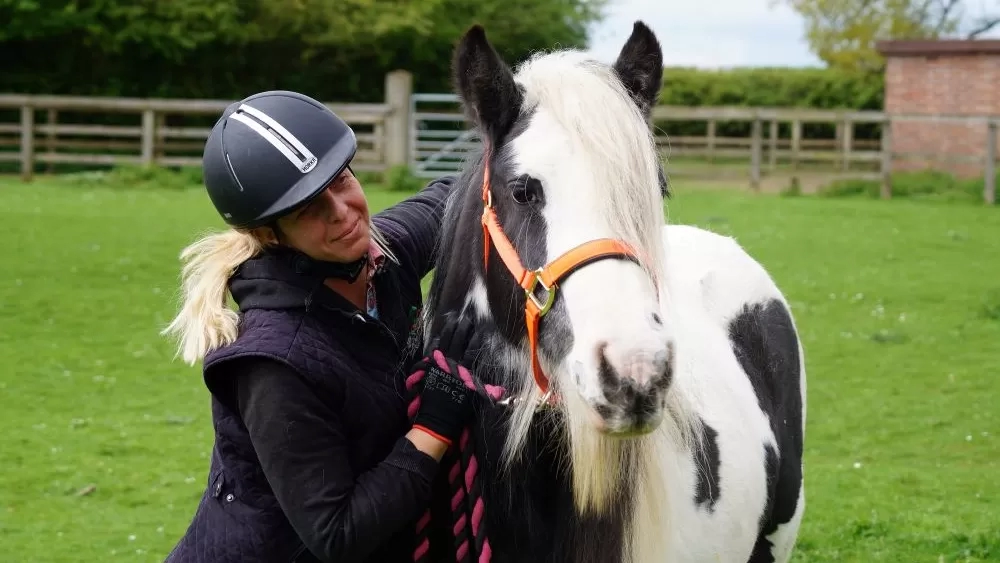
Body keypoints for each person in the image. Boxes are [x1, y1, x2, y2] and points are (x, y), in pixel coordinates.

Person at [159, 90, 482, 562]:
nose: (343, 211)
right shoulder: (273, 362)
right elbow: (338, 534)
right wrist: (433, 424)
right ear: (270, 235)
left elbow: (461, 194)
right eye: (308, 209)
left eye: (342, 180)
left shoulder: (380, 254)